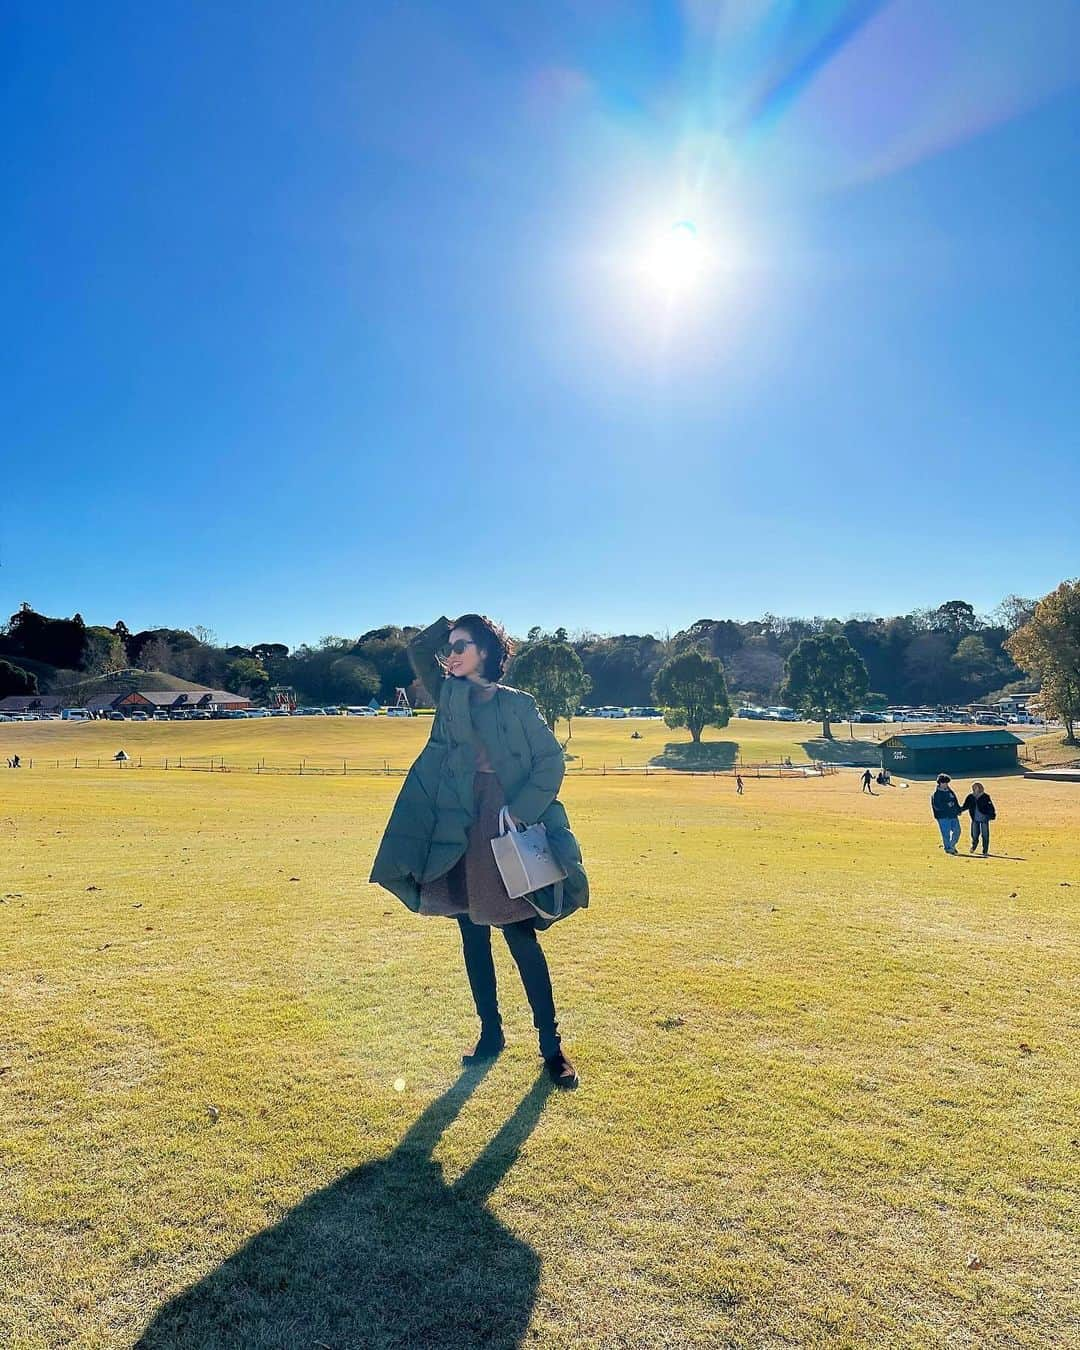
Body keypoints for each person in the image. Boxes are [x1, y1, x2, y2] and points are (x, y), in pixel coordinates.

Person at [370, 615, 589, 1089]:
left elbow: (550, 761)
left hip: (505, 820)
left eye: (462, 646)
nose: (450, 654)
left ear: (487, 651)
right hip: (458, 822)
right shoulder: (451, 698)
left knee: (519, 936)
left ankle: (551, 1047)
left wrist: (522, 809)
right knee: (471, 933)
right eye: (449, 648)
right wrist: (454, 629)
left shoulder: (518, 706)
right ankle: (490, 1034)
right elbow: (421, 647)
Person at [959, 781, 996, 856]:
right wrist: (959, 810)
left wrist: (992, 815)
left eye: (976, 787)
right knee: (974, 834)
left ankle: (985, 850)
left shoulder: (985, 796)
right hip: (974, 818)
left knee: (985, 835)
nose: (975, 789)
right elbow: (966, 806)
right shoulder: (970, 797)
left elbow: (990, 807)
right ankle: (974, 846)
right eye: (974, 787)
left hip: (984, 818)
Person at [931, 773, 962, 854]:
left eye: (947, 783)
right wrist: (947, 805)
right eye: (944, 783)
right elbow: (937, 806)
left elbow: (955, 801)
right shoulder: (936, 794)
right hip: (943, 817)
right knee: (946, 834)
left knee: (957, 831)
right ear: (940, 783)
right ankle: (948, 848)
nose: (946, 784)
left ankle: (951, 846)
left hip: (953, 815)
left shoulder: (950, 792)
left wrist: (958, 810)